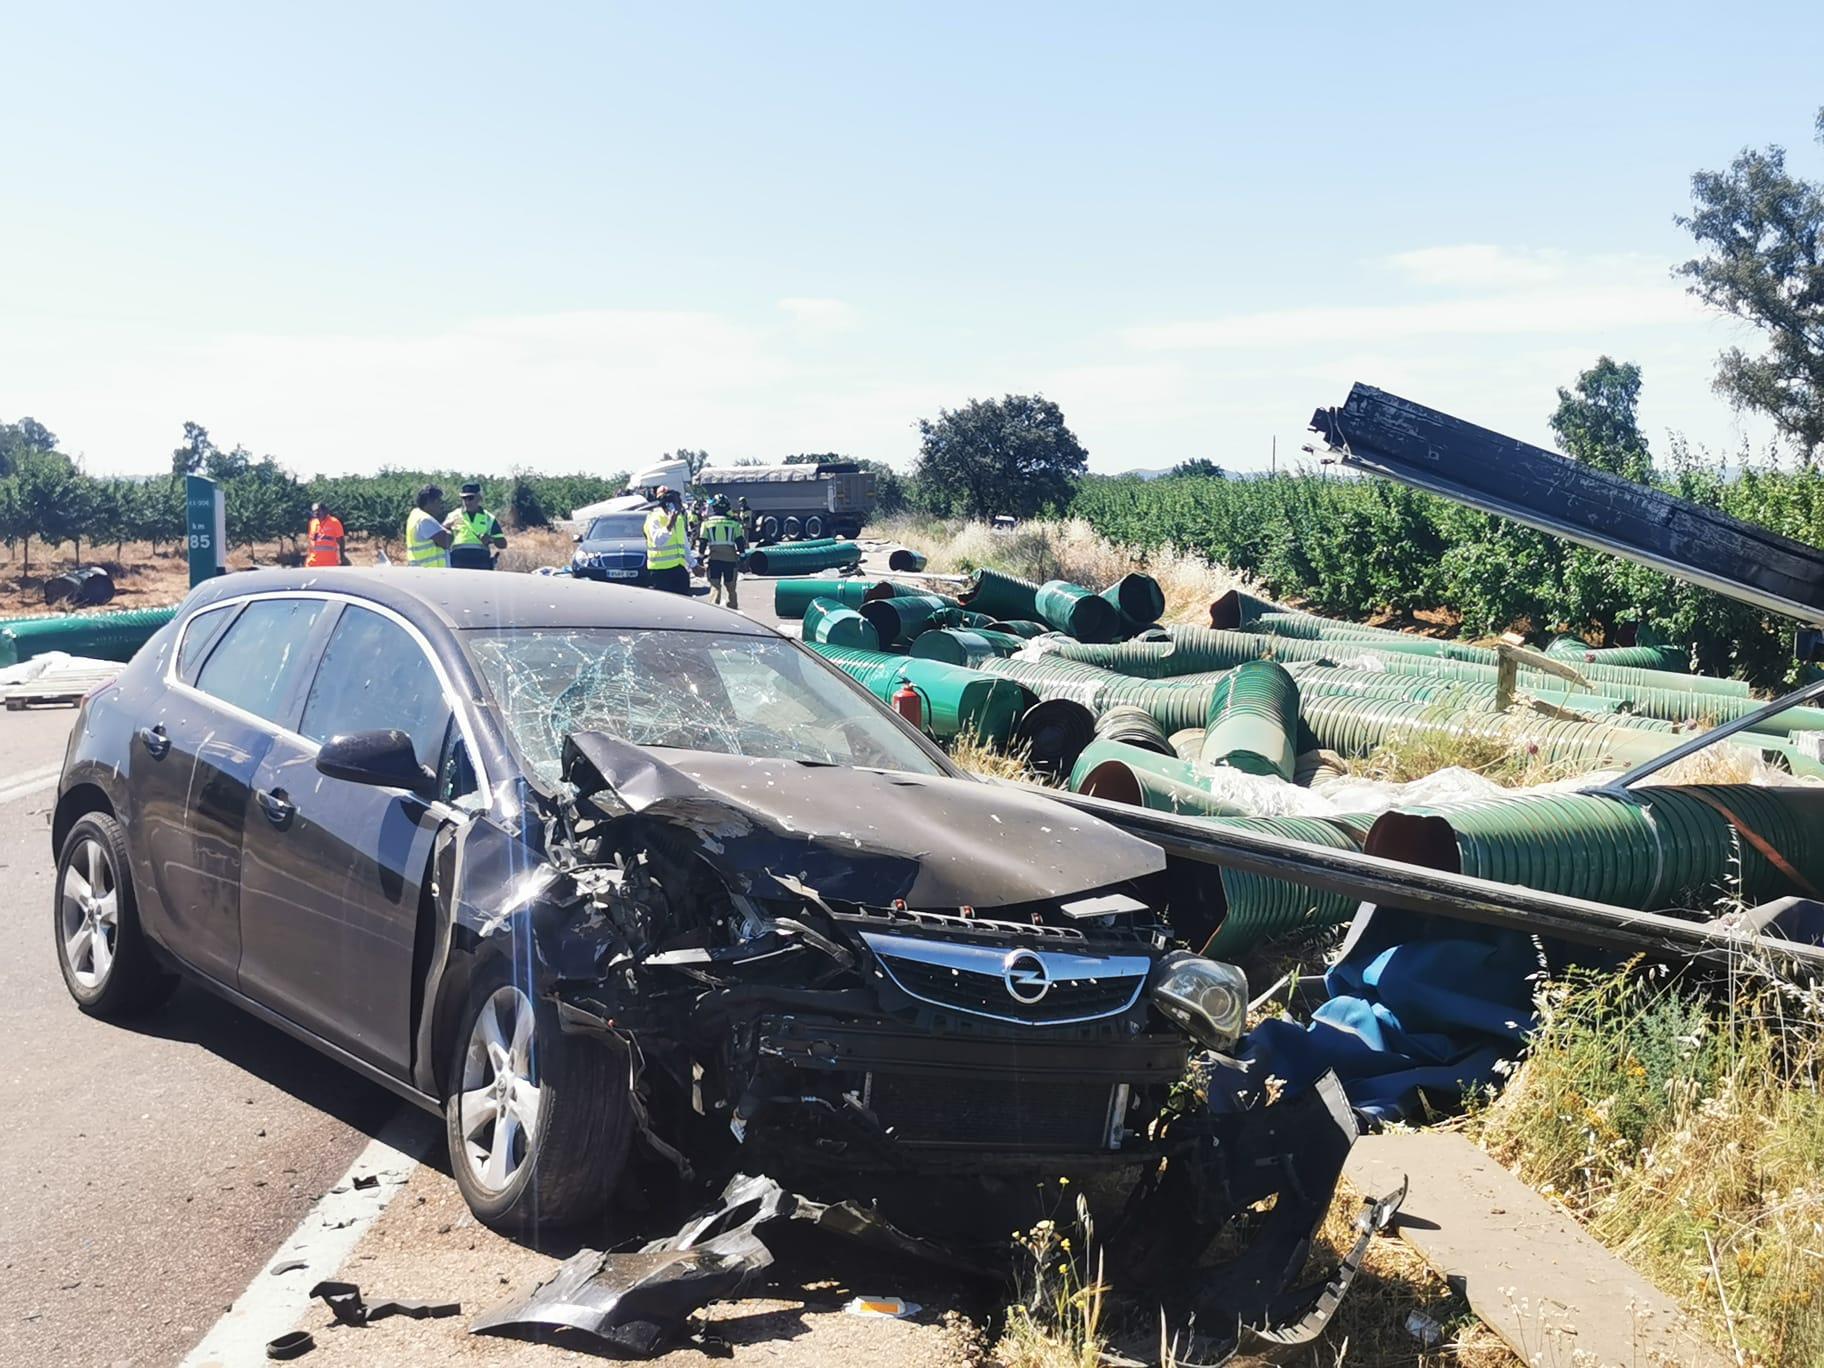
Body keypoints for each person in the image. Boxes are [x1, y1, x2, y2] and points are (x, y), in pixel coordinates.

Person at [696, 496, 747, 609]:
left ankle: (714, 608)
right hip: (730, 559)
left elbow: (703, 541)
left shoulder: (707, 523)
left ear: (714, 507)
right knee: (731, 587)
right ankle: (733, 606)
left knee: (715, 585)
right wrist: (743, 556)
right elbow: (740, 541)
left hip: (714, 559)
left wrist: (700, 557)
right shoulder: (734, 523)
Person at [445, 481, 507, 570]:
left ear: (479, 498)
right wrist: (445, 526)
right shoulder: (452, 516)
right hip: (458, 561)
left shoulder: (488, 518)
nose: (467, 501)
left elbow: (503, 544)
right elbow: (441, 535)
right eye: (464, 498)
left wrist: (490, 539)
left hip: (481, 562)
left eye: (470, 498)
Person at [643, 486, 690, 595]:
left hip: (678, 568)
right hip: (660, 572)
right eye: (678, 503)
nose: (681, 506)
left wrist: (693, 564)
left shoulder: (678, 519)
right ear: (669, 504)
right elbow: (658, 541)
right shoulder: (654, 518)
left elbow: (684, 544)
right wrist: (669, 525)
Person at [404, 485, 452, 568]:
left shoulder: (415, 515)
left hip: (422, 571)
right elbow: (446, 542)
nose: (440, 505)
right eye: (439, 501)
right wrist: (449, 527)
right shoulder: (425, 520)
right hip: (431, 572)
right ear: (430, 502)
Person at [305, 501, 346, 567]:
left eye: (318, 510)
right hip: (313, 563)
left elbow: (341, 541)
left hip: (330, 563)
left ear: (325, 511)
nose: (316, 513)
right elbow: (311, 542)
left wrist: (342, 558)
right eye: (314, 511)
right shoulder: (312, 523)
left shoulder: (334, 522)